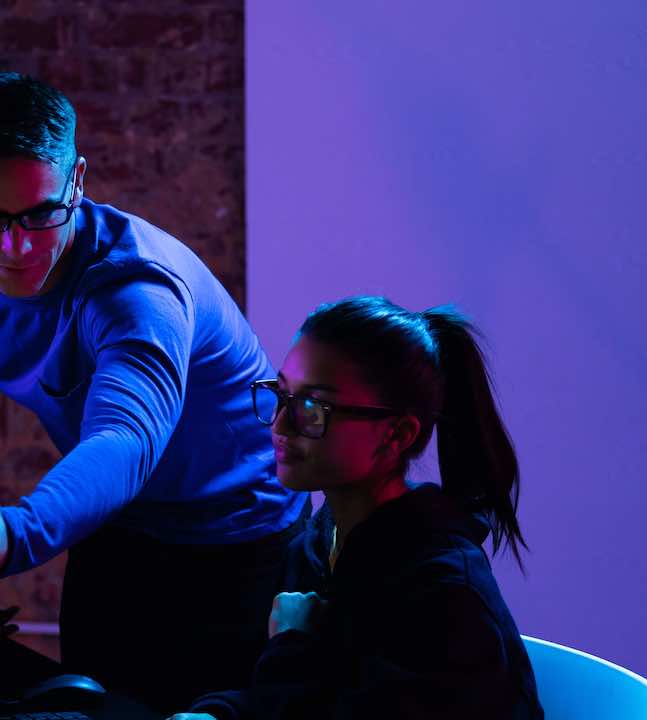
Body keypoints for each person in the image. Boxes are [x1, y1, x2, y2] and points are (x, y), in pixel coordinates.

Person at [0, 72, 308, 712]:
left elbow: (124, 439)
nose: (16, 247)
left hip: (238, 542)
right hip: (120, 527)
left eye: (41, 214)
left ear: (79, 183)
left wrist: (14, 535)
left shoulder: (138, 293)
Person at [172, 296, 544, 720]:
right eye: (283, 395)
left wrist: (290, 643)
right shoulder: (320, 543)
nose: (280, 425)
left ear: (397, 434)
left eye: (313, 408)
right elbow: (284, 696)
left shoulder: (442, 592)